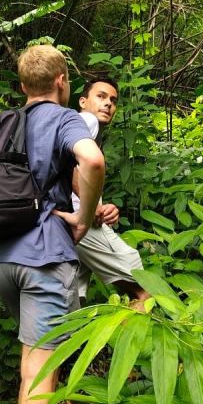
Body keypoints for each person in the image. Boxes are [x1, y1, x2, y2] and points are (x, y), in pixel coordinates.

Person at [0, 45, 105, 404]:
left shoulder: (0, 124)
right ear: (62, 80)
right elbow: (92, 160)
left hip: (1, 261)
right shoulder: (63, 118)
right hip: (45, 258)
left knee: (31, 363)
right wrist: (84, 218)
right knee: (42, 372)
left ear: (22, 83)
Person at [61, 78, 150, 308]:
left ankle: (79, 343)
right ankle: (134, 342)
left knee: (73, 300)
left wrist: (101, 204)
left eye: (113, 100)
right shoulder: (85, 121)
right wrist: (94, 208)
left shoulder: (85, 132)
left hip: (64, 222)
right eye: (101, 96)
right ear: (82, 101)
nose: (108, 103)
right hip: (81, 220)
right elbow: (68, 167)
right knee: (145, 289)